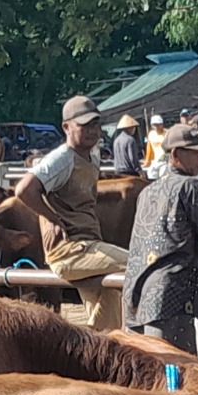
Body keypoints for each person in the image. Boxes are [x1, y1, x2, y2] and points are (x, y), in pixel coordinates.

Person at [15, 95, 127, 330]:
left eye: (95, 124)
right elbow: (24, 189)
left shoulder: (92, 158)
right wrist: (52, 218)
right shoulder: (62, 159)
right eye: (84, 125)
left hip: (88, 248)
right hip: (70, 251)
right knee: (134, 263)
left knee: (109, 307)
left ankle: (96, 342)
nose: (92, 131)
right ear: (66, 127)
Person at [123, 123, 198, 353]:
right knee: (177, 366)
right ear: (176, 155)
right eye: (195, 153)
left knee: (146, 365)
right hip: (171, 294)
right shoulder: (190, 185)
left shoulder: (147, 191)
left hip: (138, 292)